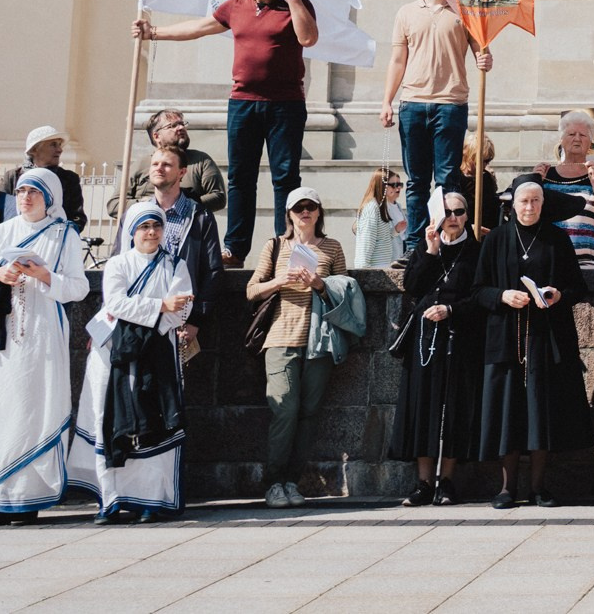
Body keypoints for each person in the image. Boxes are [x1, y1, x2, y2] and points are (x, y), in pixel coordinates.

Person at [135, 0, 320, 264]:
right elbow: (201, 27)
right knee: (240, 178)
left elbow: (308, 38)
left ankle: (284, 245)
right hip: (243, 104)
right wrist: (154, 33)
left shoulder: (295, 5)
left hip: (285, 105)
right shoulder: (236, 7)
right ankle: (235, 248)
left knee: (285, 178)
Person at [68, 203, 193, 523]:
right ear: (132, 232)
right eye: (144, 226)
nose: (151, 232)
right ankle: (110, 499)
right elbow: (116, 303)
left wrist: (154, 317)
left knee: (154, 417)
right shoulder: (118, 264)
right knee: (107, 418)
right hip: (113, 353)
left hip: (156, 353)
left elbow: (181, 310)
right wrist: (158, 306)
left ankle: (150, 499)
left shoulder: (175, 265)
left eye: (156, 226)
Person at [474, 177, 590, 508]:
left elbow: (577, 287)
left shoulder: (557, 239)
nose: (529, 207)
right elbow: (478, 290)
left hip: (545, 337)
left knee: (542, 412)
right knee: (508, 413)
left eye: (536, 201)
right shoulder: (496, 239)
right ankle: (507, 488)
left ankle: (539, 487)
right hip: (506, 338)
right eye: (524, 202)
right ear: (513, 204)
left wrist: (557, 296)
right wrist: (502, 295)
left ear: (543, 204)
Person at [380, 0, 493, 251]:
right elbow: (397, 60)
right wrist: (387, 100)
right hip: (413, 102)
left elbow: (481, 49)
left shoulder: (465, 10)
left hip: (450, 103)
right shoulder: (406, 13)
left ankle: (450, 241)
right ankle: (417, 245)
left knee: (447, 179)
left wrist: (484, 59)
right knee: (416, 181)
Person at [244, 185, 346, 508]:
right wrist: (281, 280)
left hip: (319, 340)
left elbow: (346, 294)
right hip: (281, 337)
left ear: (319, 212)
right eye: (298, 207)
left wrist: (319, 284)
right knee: (284, 408)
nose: (305, 212)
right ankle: (274, 482)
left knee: (309, 414)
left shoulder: (332, 247)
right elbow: (251, 290)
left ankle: (292, 481)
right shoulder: (275, 245)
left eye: (311, 206)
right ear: (288, 214)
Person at [0, 169, 88, 521]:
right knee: (6, 408)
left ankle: (28, 497)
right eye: (21, 191)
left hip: (43, 332)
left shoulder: (64, 235)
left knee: (36, 406)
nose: (26, 198)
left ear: (49, 198)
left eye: (34, 191)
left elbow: (78, 288)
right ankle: (2, 493)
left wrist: (44, 275)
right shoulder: (3, 231)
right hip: (6, 331)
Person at [390, 190, 485, 507]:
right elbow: (412, 286)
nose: (453, 218)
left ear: (466, 216)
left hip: (460, 339)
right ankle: (423, 483)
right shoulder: (424, 248)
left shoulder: (476, 252)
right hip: (425, 342)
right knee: (424, 407)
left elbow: (480, 297)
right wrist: (430, 251)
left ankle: (447, 481)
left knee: (455, 408)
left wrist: (451, 309)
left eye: (459, 212)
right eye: (447, 212)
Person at [135, 146, 223, 350]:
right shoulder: (136, 215)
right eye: (155, 164)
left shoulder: (200, 217)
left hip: (181, 321)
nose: (159, 168)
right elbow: (119, 263)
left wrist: (195, 321)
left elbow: (213, 271)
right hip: (141, 316)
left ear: (182, 172)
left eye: (167, 164)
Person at [536, 112, 594, 267]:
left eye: (583, 135)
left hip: (587, 262)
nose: (577, 139)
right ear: (561, 139)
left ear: (590, 143)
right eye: (571, 134)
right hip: (549, 261)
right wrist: (534, 182)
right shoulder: (546, 175)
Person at [113, 110, 225, 224]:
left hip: (186, 230)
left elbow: (219, 197)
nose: (181, 127)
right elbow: (114, 205)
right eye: (173, 125)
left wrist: (185, 205)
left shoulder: (201, 160)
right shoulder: (141, 164)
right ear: (157, 136)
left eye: (182, 124)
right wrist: (148, 204)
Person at [0, 126, 86, 232]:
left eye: (59, 145)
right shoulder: (13, 176)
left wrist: (61, 235)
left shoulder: (69, 179)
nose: (60, 150)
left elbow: (78, 218)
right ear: (34, 149)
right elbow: (2, 211)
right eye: (53, 144)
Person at [352, 169, 407, 269]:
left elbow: (382, 237)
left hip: (383, 267)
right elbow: (366, 242)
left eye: (400, 185)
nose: (398, 188)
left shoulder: (381, 206)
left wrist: (395, 230)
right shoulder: (372, 207)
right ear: (382, 185)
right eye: (394, 185)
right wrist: (363, 272)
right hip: (374, 269)